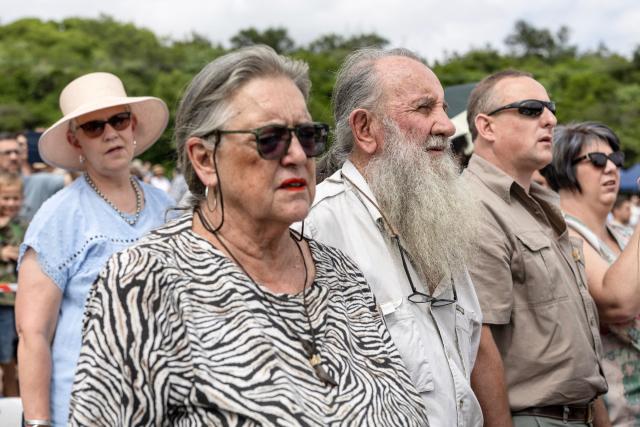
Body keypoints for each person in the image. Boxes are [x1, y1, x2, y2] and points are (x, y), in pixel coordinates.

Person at [67, 46, 429, 426]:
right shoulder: (145, 281)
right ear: (205, 160)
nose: (295, 155)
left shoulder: (340, 272)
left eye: (306, 136)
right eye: (269, 138)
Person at [305, 47, 483, 426]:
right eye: (423, 109)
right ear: (365, 129)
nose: (447, 125)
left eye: (442, 107)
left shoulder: (438, 221)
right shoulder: (316, 228)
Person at [15, 72, 174, 426]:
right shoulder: (58, 215)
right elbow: (33, 333)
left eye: (118, 120)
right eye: (93, 127)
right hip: (82, 408)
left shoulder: (167, 206)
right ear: (75, 141)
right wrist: (38, 421)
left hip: (159, 406)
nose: (110, 133)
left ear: (133, 126)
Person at [463, 70, 610, 426]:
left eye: (550, 108)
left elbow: (576, 341)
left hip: (580, 412)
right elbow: (480, 344)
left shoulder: (541, 203)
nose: (551, 119)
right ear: (487, 127)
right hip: (534, 417)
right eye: (530, 109)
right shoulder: (473, 205)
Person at [543, 122, 640, 426]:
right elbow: (618, 302)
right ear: (562, 167)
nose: (611, 169)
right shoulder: (560, 233)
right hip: (617, 411)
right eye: (598, 161)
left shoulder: (624, 233)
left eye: (616, 160)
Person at [0, 172, 27, 397]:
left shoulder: (24, 226)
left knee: (10, 355)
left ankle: (11, 401)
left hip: (15, 301)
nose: (10, 203)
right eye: (5, 198)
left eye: (15, 198)